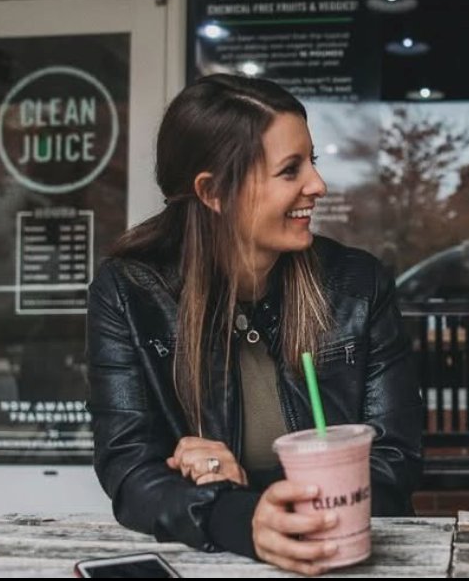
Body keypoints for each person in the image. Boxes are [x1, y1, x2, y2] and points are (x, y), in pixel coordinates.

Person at [87, 73, 423, 575]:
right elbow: (129, 468)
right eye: (291, 170)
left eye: (314, 161)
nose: (318, 184)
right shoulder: (129, 292)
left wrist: (247, 497)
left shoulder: (357, 285)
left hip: (350, 560)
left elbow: (394, 459)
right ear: (213, 191)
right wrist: (238, 519)